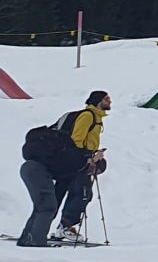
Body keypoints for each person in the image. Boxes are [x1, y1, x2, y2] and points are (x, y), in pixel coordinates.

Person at [17, 90, 110, 247]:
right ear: (98, 101)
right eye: (106, 99)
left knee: (57, 196)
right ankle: (65, 227)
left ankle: (40, 231)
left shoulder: (92, 117)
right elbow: (77, 139)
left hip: (68, 160)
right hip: (77, 161)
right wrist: (88, 156)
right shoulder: (88, 116)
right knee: (82, 193)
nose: (110, 102)